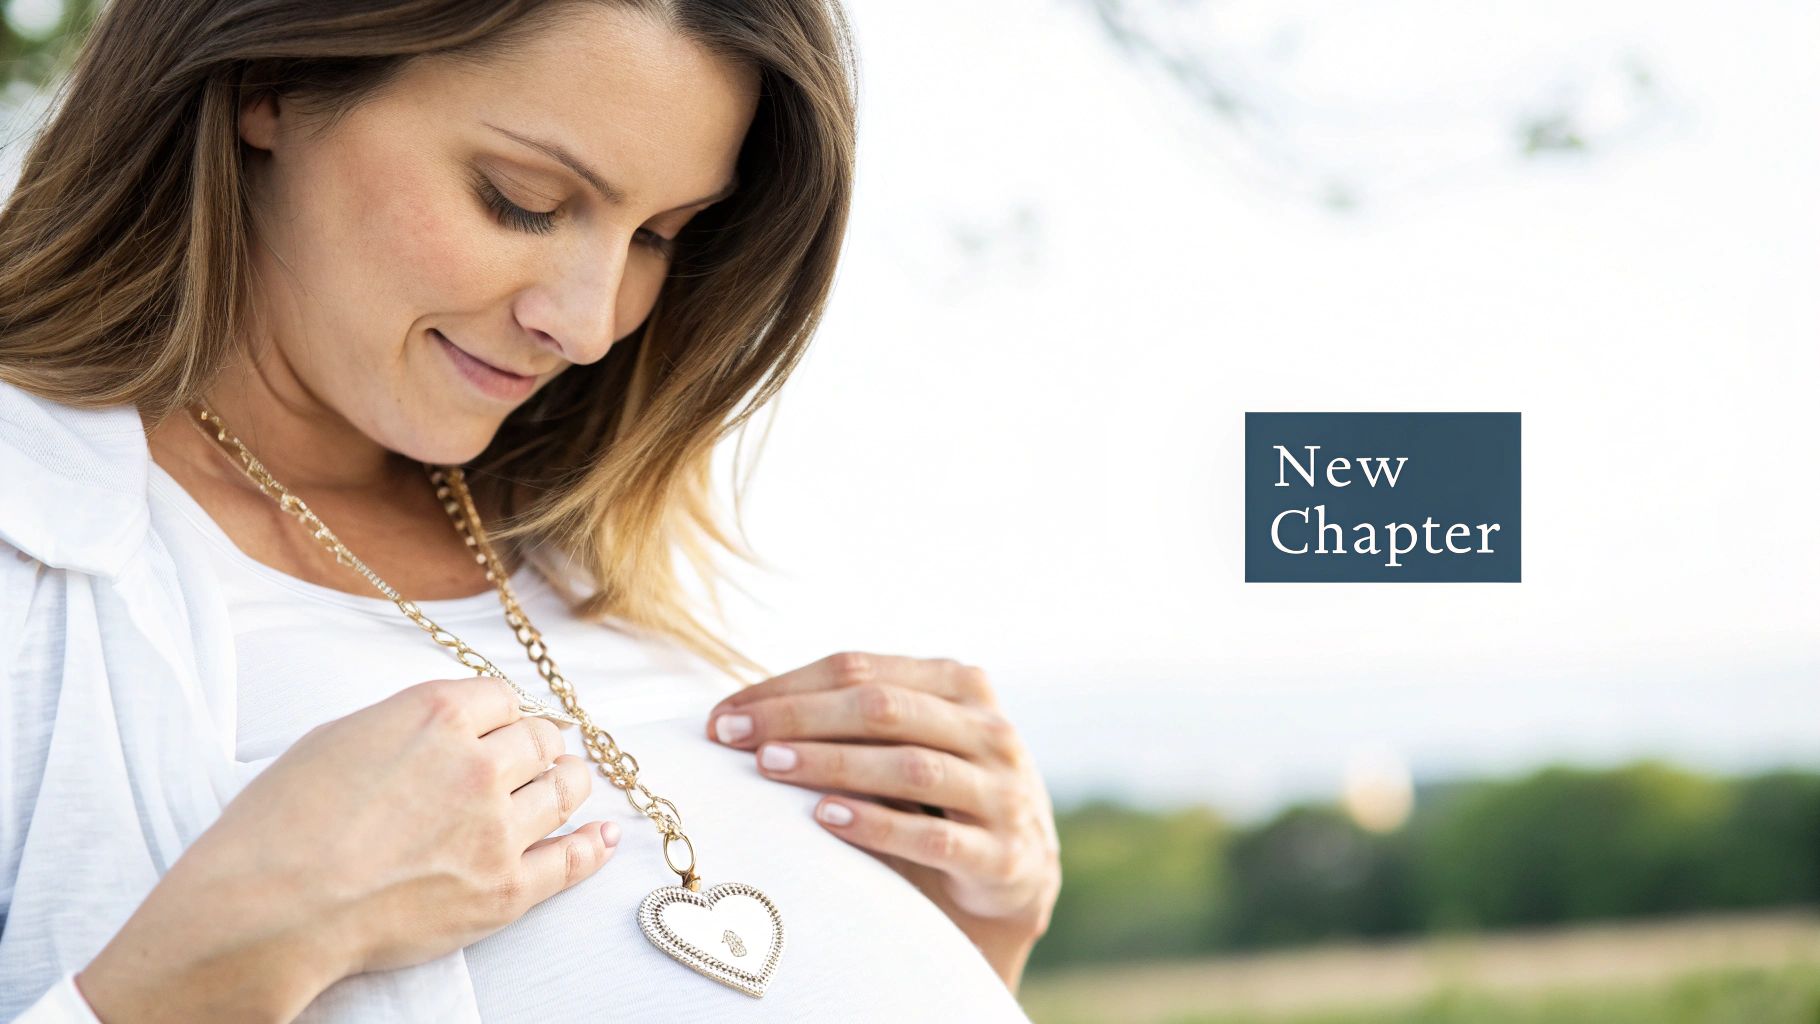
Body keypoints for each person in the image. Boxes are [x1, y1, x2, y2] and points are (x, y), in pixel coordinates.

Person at [0, 1, 1061, 1020]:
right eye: (523, 198)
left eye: (661, 234)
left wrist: (973, 929)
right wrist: (243, 946)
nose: (591, 325)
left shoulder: (586, 544)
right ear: (272, 82)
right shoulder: (37, 541)